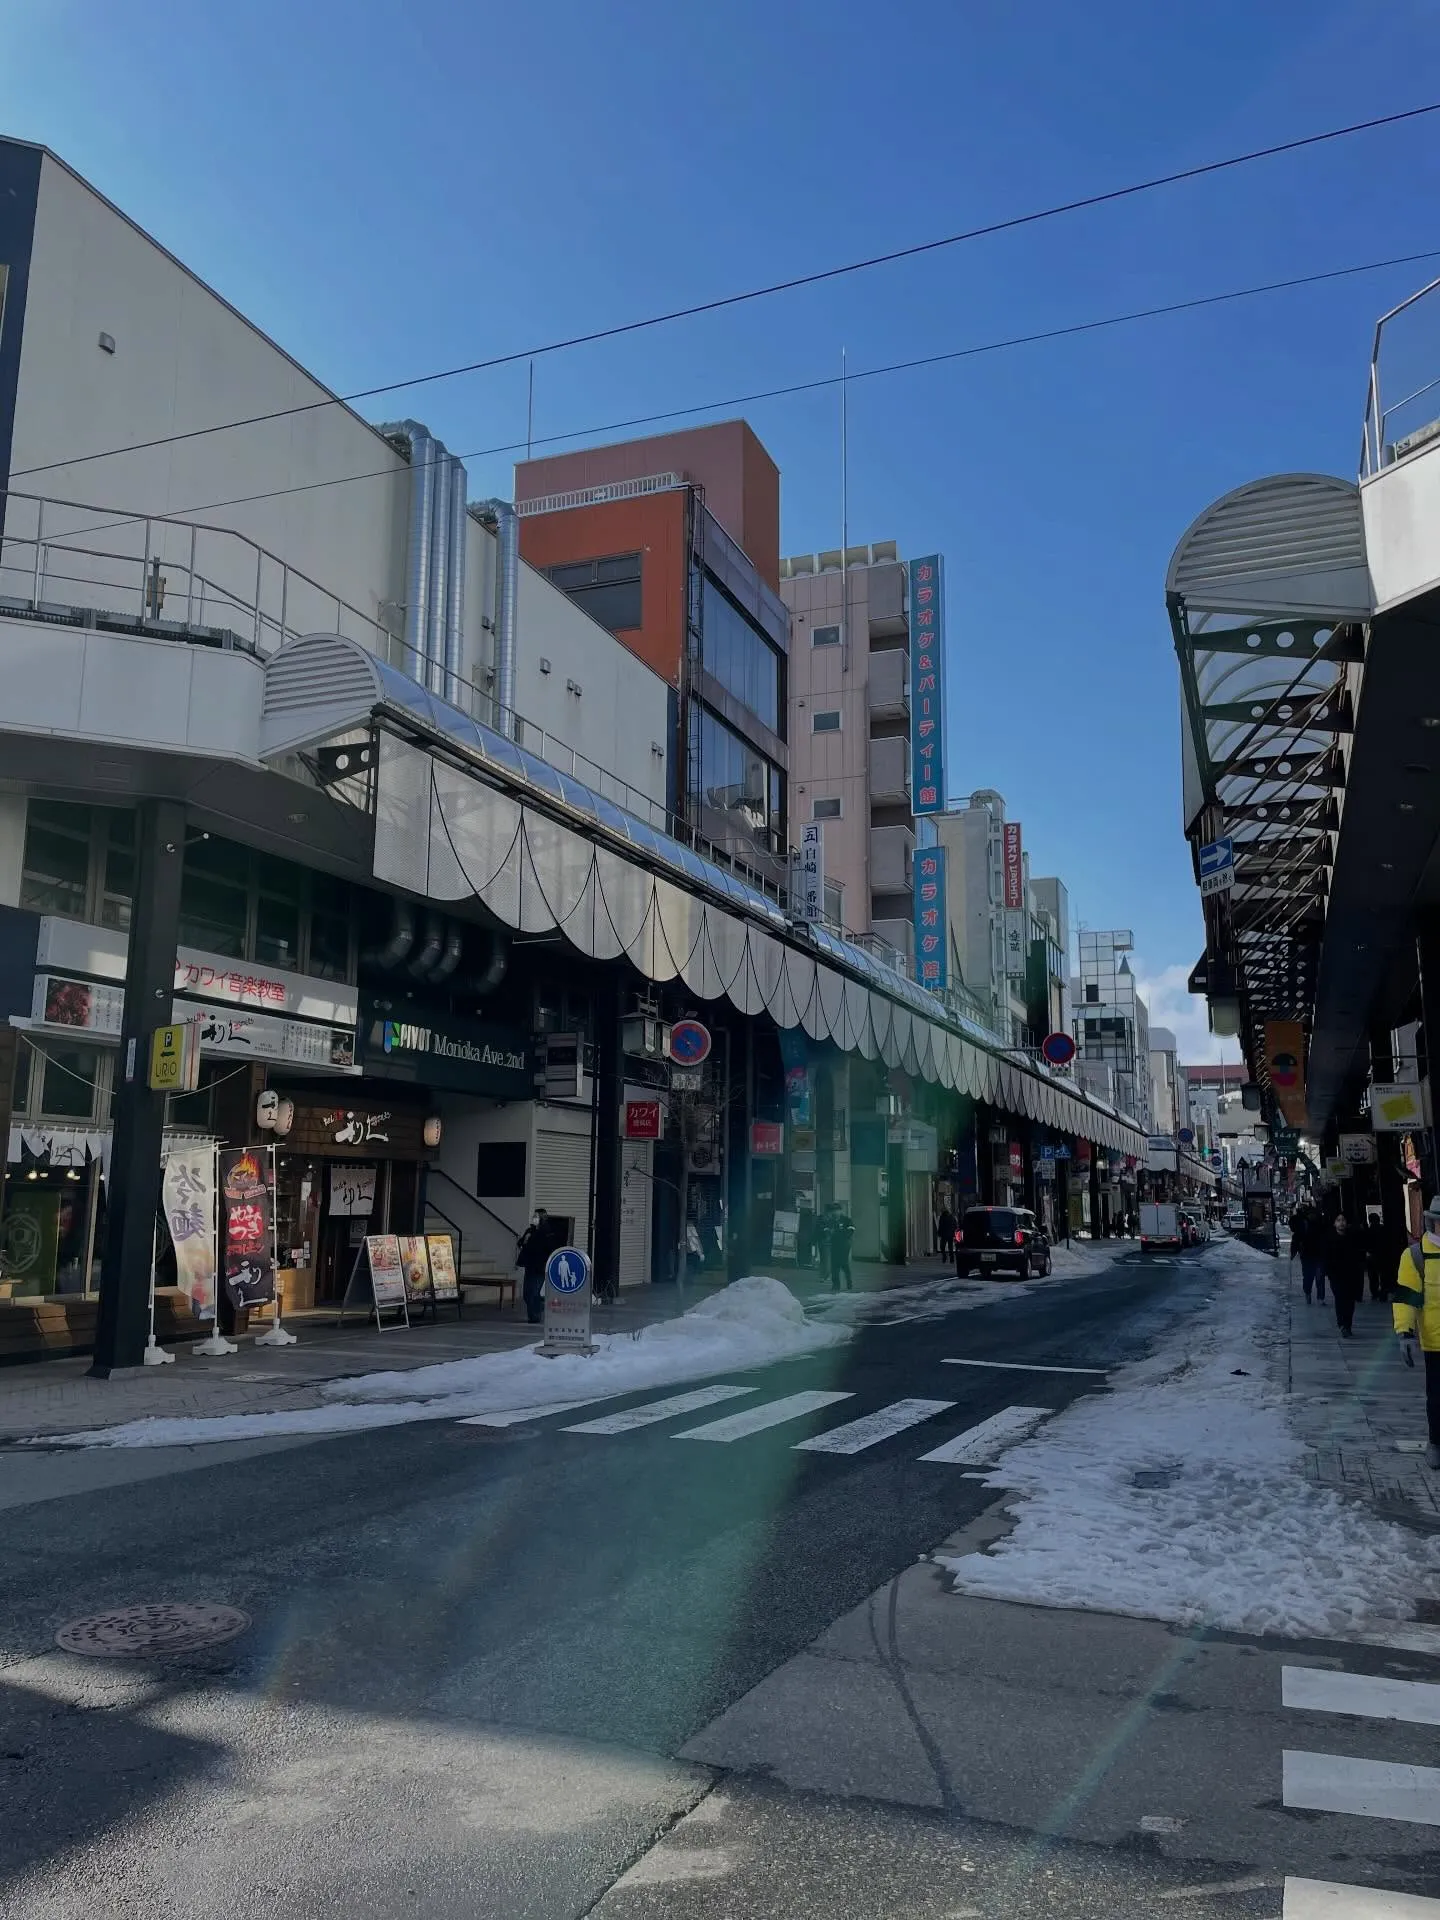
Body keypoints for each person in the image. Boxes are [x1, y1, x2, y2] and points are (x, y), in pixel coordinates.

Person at [1394, 1195, 1440, 1469]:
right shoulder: (1415, 1256)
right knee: (1437, 1398)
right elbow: (1406, 1298)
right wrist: (1405, 1334)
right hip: (1435, 1343)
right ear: (1432, 1223)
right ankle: (1436, 1443)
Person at [1323, 1213, 1366, 1337]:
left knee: (1350, 1301)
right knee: (1340, 1299)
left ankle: (1347, 1324)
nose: (1341, 1223)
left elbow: (1358, 1256)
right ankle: (1342, 1324)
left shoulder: (1352, 1238)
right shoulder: (1329, 1239)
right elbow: (1326, 1257)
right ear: (1334, 1223)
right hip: (1336, 1275)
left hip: (1351, 1275)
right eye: (1338, 1220)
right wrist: (1329, 1272)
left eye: (1343, 1220)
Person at [515, 1208, 553, 1326]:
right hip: (529, 1265)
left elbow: (548, 1248)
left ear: (542, 1218)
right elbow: (520, 1243)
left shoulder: (547, 1232)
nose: (534, 1218)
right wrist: (525, 1241)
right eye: (534, 1216)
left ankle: (534, 1316)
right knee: (527, 1293)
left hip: (540, 1267)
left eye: (536, 1216)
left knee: (533, 1292)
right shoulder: (530, 1230)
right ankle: (540, 1306)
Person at [1290, 1204, 1326, 1302]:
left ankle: (1320, 1297)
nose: (1312, 1216)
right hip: (1307, 1254)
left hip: (1318, 1254)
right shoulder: (1303, 1224)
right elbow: (1296, 1238)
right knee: (1309, 1276)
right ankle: (1308, 1293)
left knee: (1319, 1276)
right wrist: (1293, 1251)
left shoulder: (1320, 1224)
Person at [827, 1204, 854, 1291]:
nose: (835, 1212)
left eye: (837, 1210)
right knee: (834, 1265)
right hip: (834, 1245)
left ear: (840, 1211)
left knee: (844, 1264)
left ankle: (849, 1283)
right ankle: (835, 1285)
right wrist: (829, 1234)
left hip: (844, 1245)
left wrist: (841, 1233)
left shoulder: (846, 1220)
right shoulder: (831, 1221)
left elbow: (851, 1230)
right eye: (833, 1211)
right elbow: (826, 1231)